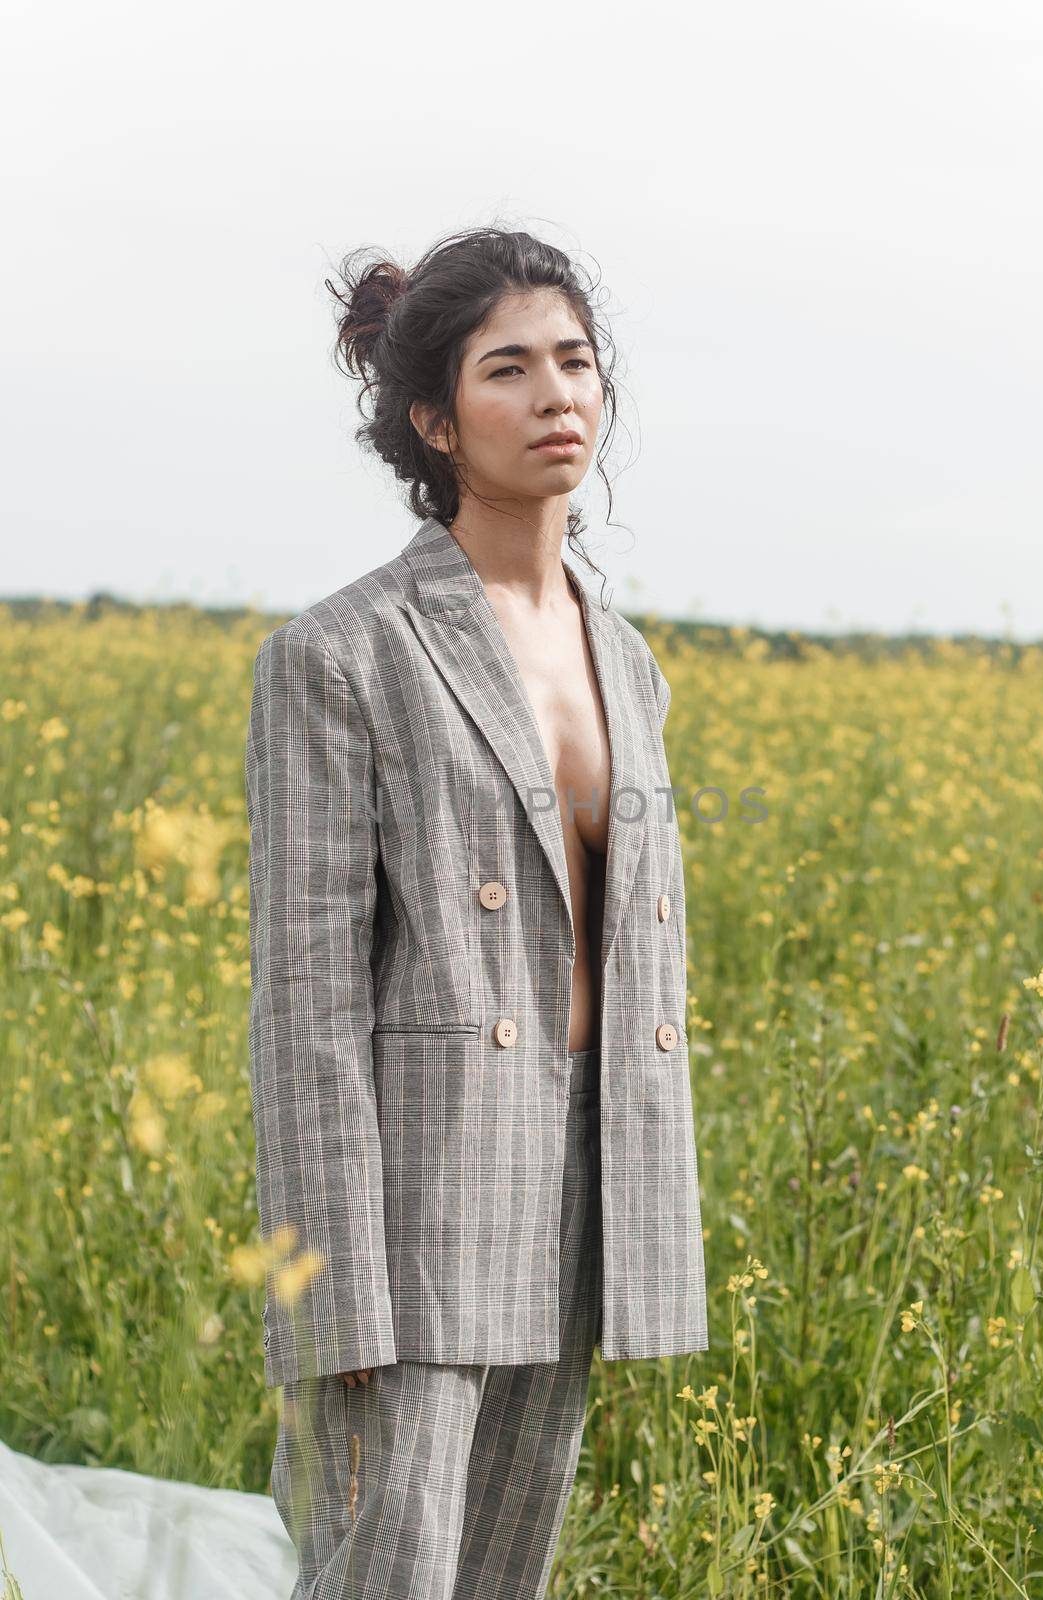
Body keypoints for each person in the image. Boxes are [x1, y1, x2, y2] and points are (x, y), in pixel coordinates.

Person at [244, 224, 707, 1599]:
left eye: (575, 360)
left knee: (508, 1575)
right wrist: (336, 1290)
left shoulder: (627, 659)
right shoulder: (341, 654)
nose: (557, 394)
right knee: (381, 1576)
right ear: (437, 420)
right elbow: (305, 1000)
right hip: (413, 1195)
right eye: (509, 370)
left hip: (582, 1177)